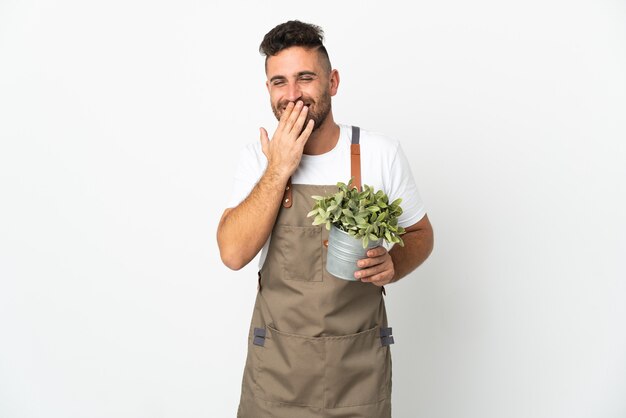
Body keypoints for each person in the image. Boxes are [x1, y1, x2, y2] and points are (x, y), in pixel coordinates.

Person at [217, 20, 434, 418]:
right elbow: (232, 253)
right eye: (279, 81)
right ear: (268, 90)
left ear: (332, 82)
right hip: (276, 377)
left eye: (305, 78)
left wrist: (394, 263)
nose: (292, 94)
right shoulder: (258, 159)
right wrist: (279, 168)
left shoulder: (379, 153)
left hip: (359, 372)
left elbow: (420, 234)